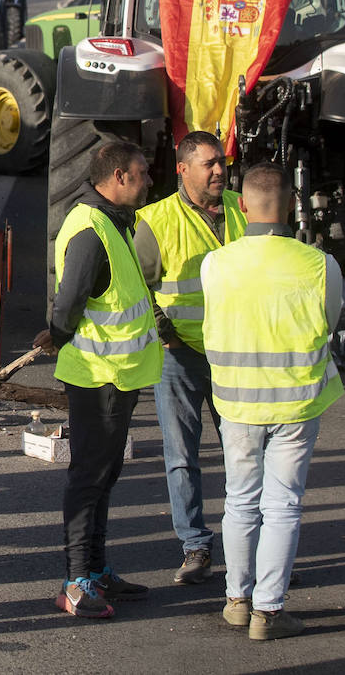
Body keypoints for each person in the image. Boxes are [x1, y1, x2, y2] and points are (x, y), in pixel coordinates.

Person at [201, 163, 345, 641]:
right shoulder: (321, 265)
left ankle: (236, 601)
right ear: (290, 205)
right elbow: (330, 323)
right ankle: (268, 611)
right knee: (283, 506)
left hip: (236, 404)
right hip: (297, 404)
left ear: (242, 207)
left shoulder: (215, 264)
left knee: (239, 501)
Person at [36, 140, 160, 619]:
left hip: (117, 375)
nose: (149, 181)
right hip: (98, 377)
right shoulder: (91, 228)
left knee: (105, 476)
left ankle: (98, 569)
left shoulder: (112, 221)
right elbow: (67, 304)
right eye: (143, 173)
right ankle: (76, 581)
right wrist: (60, 335)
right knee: (89, 478)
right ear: (119, 177)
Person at [134, 131, 244, 586]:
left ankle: (250, 552)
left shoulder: (246, 208)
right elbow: (138, 287)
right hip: (181, 357)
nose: (219, 170)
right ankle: (195, 546)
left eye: (221, 161)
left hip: (238, 354)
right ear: (182, 169)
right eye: (209, 164)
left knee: (245, 456)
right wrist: (165, 336)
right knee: (182, 456)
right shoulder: (155, 220)